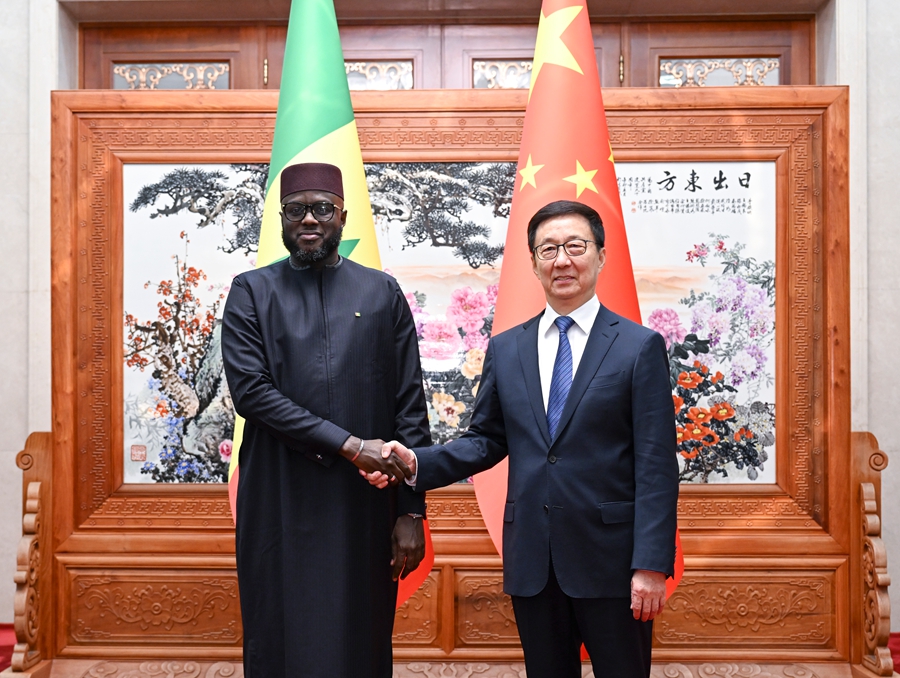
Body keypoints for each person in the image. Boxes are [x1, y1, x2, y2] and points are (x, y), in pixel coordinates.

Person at [366, 200, 678, 678]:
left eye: (575, 246)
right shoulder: (508, 347)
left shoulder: (638, 346)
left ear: (600, 255)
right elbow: (485, 440)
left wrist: (650, 565)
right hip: (535, 560)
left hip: (613, 563)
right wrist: (415, 462)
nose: (562, 260)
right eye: (548, 249)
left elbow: (656, 466)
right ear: (533, 263)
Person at [221, 162, 430, 678]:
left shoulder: (381, 292)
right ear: (281, 219)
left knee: (360, 640)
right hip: (278, 499)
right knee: (280, 638)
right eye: (295, 210)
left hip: (364, 503)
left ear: (342, 215)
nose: (309, 219)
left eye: (321, 208)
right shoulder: (251, 291)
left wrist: (412, 512)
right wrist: (350, 445)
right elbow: (252, 394)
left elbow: (409, 405)